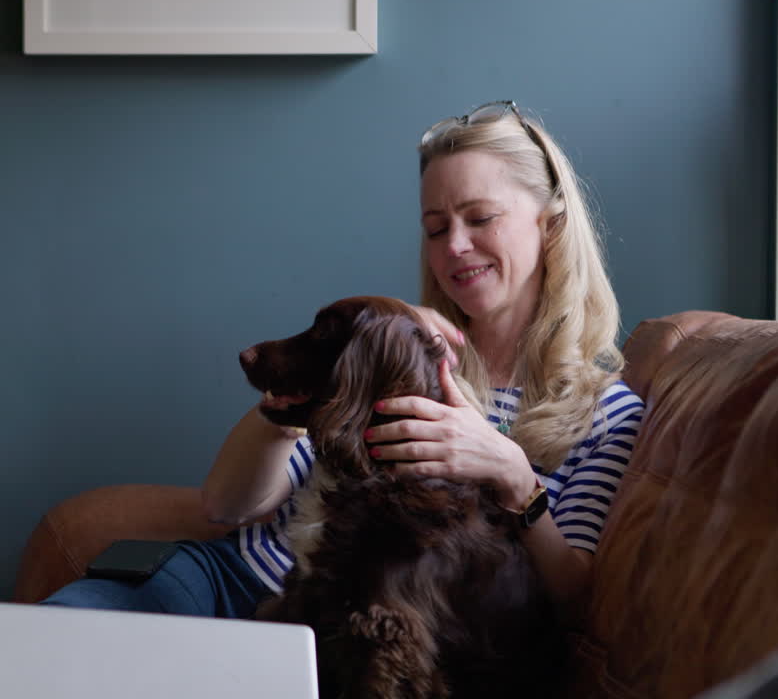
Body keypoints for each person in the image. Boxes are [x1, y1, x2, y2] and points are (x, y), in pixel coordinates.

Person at [43, 100, 645, 619]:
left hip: (356, 625)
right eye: (436, 228)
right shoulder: (389, 351)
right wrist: (291, 404)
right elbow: (225, 504)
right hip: (235, 578)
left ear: (551, 223)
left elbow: (573, 597)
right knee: (57, 633)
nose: (455, 246)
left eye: (480, 218)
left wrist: (513, 474)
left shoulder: (605, 412)